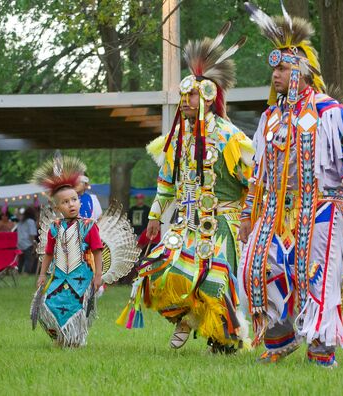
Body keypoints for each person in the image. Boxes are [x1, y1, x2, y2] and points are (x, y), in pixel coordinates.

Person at [239, 2, 343, 367]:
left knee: (319, 279)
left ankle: (321, 347)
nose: (275, 75)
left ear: (303, 72)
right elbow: (258, 172)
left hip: (323, 209)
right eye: (274, 69)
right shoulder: (270, 118)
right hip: (276, 211)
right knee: (256, 269)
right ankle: (280, 336)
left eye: (282, 68)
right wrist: (249, 213)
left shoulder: (332, 113)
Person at [118, 24, 253, 353]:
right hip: (187, 221)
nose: (186, 100)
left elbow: (254, 182)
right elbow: (166, 181)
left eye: (192, 94)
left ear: (209, 96)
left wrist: (250, 217)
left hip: (223, 223)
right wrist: (155, 215)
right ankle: (191, 319)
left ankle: (219, 339)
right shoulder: (178, 137)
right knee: (164, 273)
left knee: (215, 281)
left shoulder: (231, 138)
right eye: (184, 94)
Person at [31, 154, 103, 347]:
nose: (71, 204)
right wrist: (42, 275)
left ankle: (75, 338)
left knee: (77, 306)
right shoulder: (54, 227)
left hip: (82, 275)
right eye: (65, 202)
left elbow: (97, 251)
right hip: (59, 274)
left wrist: (98, 275)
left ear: (79, 202)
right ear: (57, 207)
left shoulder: (89, 225)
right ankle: (61, 335)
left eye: (74, 200)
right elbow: (47, 253)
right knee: (49, 304)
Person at [17, 207, 38, 274]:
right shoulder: (31, 221)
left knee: (21, 260)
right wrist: (34, 244)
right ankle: (26, 273)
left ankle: (18, 272)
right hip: (28, 243)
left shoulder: (21, 221)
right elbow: (32, 234)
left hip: (19, 243)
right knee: (28, 259)